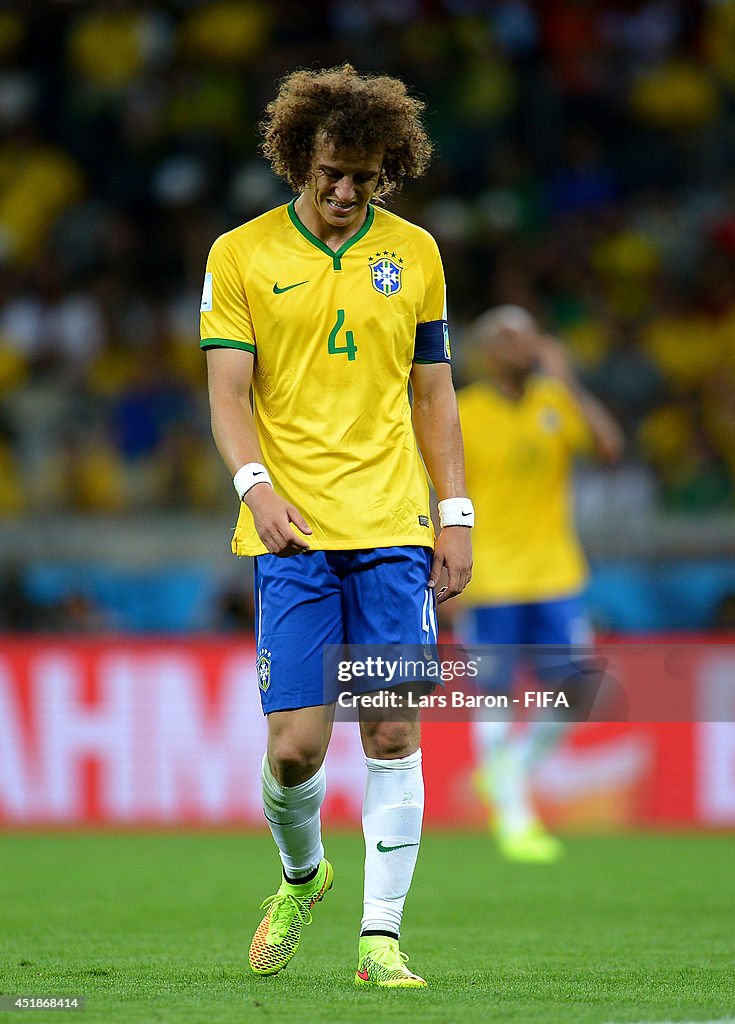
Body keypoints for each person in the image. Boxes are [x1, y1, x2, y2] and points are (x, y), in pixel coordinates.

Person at [200, 65, 473, 987]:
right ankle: (302, 875)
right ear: (296, 161)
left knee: (392, 734)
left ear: (387, 167)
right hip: (291, 534)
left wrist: (455, 514)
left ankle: (381, 940)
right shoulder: (238, 256)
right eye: (330, 173)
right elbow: (227, 394)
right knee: (293, 751)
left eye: (365, 175)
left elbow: (433, 394)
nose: (346, 191)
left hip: (393, 525)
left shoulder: (418, 254)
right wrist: (253, 487)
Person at [456, 305, 623, 862]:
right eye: (510, 337)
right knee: (498, 696)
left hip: (556, 574)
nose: (525, 346)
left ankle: (512, 773)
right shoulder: (462, 411)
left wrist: (567, 379)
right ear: (486, 351)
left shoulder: (554, 402)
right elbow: (436, 492)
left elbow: (608, 449)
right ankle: (515, 819)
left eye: (531, 335)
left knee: (580, 689)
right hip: (491, 580)